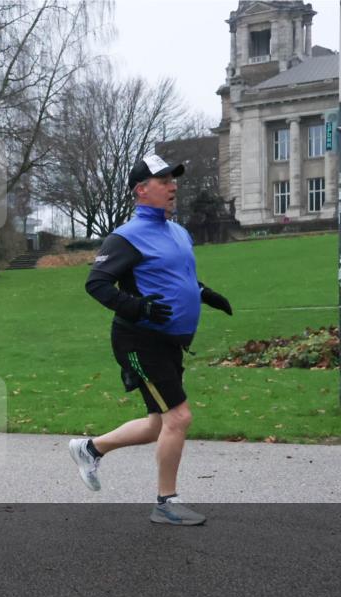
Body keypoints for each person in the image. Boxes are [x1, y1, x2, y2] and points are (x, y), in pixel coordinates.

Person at [69, 154, 233, 526]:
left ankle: (90, 449)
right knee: (179, 416)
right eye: (163, 180)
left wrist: (206, 294)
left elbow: (177, 276)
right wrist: (139, 308)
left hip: (169, 340)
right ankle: (166, 502)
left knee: (159, 423)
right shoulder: (127, 237)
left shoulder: (177, 232)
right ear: (141, 190)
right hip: (139, 339)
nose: (173, 186)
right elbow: (96, 284)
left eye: (173, 179)